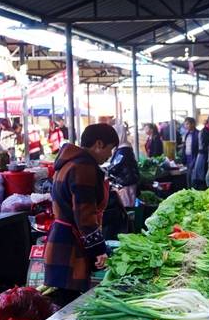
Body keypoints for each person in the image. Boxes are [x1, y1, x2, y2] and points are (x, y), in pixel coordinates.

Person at [44, 124, 118, 305]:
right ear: (99, 144)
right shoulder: (83, 167)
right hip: (70, 245)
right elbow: (84, 214)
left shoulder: (69, 162)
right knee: (68, 305)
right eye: (110, 149)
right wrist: (98, 249)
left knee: (64, 300)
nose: (110, 155)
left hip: (62, 238)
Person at [108, 122, 139, 207]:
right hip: (127, 182)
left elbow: (115, 166)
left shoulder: (123, 149)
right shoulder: (124, 148)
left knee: (126, 206)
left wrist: (106, 171)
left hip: (126, 183)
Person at [193, 113, 209, 190]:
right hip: (203, 158)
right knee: (202, 180)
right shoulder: (204, 132)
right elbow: (205, 147)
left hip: (208, 158)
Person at [181, 117, 199, 188]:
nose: (186, 126)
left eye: (187, 124)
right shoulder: (187, 134)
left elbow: (197, 148)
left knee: (193, 178)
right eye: (185, 124)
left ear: (193, 124)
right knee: (188, 177)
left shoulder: (198, 134)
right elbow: (185, 147)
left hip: (194, 158)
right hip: (188, 158)